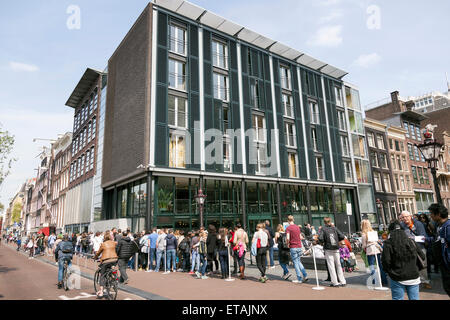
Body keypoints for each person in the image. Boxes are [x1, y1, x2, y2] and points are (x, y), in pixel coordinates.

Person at [382, 220, 426, 300]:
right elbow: (422, 256)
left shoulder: (388, 243)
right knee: (415, 298)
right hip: (413, 275)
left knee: (398, 298)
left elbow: (386, 261)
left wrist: (389, 272)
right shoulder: (411, 241)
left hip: (397, 276)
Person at [399, 210, 431, 289]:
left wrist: (411, 238)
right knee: (412, 265)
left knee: (423, 265)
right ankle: (414, 282)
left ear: (410, 216)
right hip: (409, 248)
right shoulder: (402, 225)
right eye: (403, 217)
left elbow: (423, 237)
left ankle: (425, 281)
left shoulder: (418, 224)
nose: (405, 218)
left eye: (406, 216)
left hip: (420, 247)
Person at [428, 203, 450, 296]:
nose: (430, 216)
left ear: (438, 214)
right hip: (444, 264)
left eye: (432, 213)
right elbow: (437, 239)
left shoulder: (448, 227)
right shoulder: (439, 226)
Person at [318, 217, 346, 287]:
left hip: (328, 249)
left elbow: (320, 238)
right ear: (330, 221)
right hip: (336, 248)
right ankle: (343, 281)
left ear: (324, 222)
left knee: (331, 266)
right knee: (338, 265)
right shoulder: (334, 228)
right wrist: (337, 240)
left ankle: (335, 282)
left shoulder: (323, 229)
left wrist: (323, 241)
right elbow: (342, 236)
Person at [361, 219, 387, 285]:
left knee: (372, 266)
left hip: (370, 250)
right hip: (376, 249)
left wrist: (363, 248)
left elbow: (364, 245)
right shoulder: (373, 231)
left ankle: (374, 281)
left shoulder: (364, 234)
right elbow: (377, 241)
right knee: (380, 265)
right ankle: (384, 280)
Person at [94, 233, 118, 298]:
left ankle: (101, 291)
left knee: (102, 275)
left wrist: (95, 257)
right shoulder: (114, 243)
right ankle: (113, 279)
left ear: (104, 238)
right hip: (114, 260)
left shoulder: (103, 244)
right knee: (111, 269)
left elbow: (98, 253)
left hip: (106, 260)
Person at [286, 215, 309, 284]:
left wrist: (287, 244)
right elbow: (300, 237)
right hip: (299, 246)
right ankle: (305, 275)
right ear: (293, 220)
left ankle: (299, 278)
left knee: (295, 263)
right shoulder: (297, 227)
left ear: (288, 220)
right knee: (298, 261)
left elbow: (287, 238)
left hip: (293, 246)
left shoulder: (288, 228)